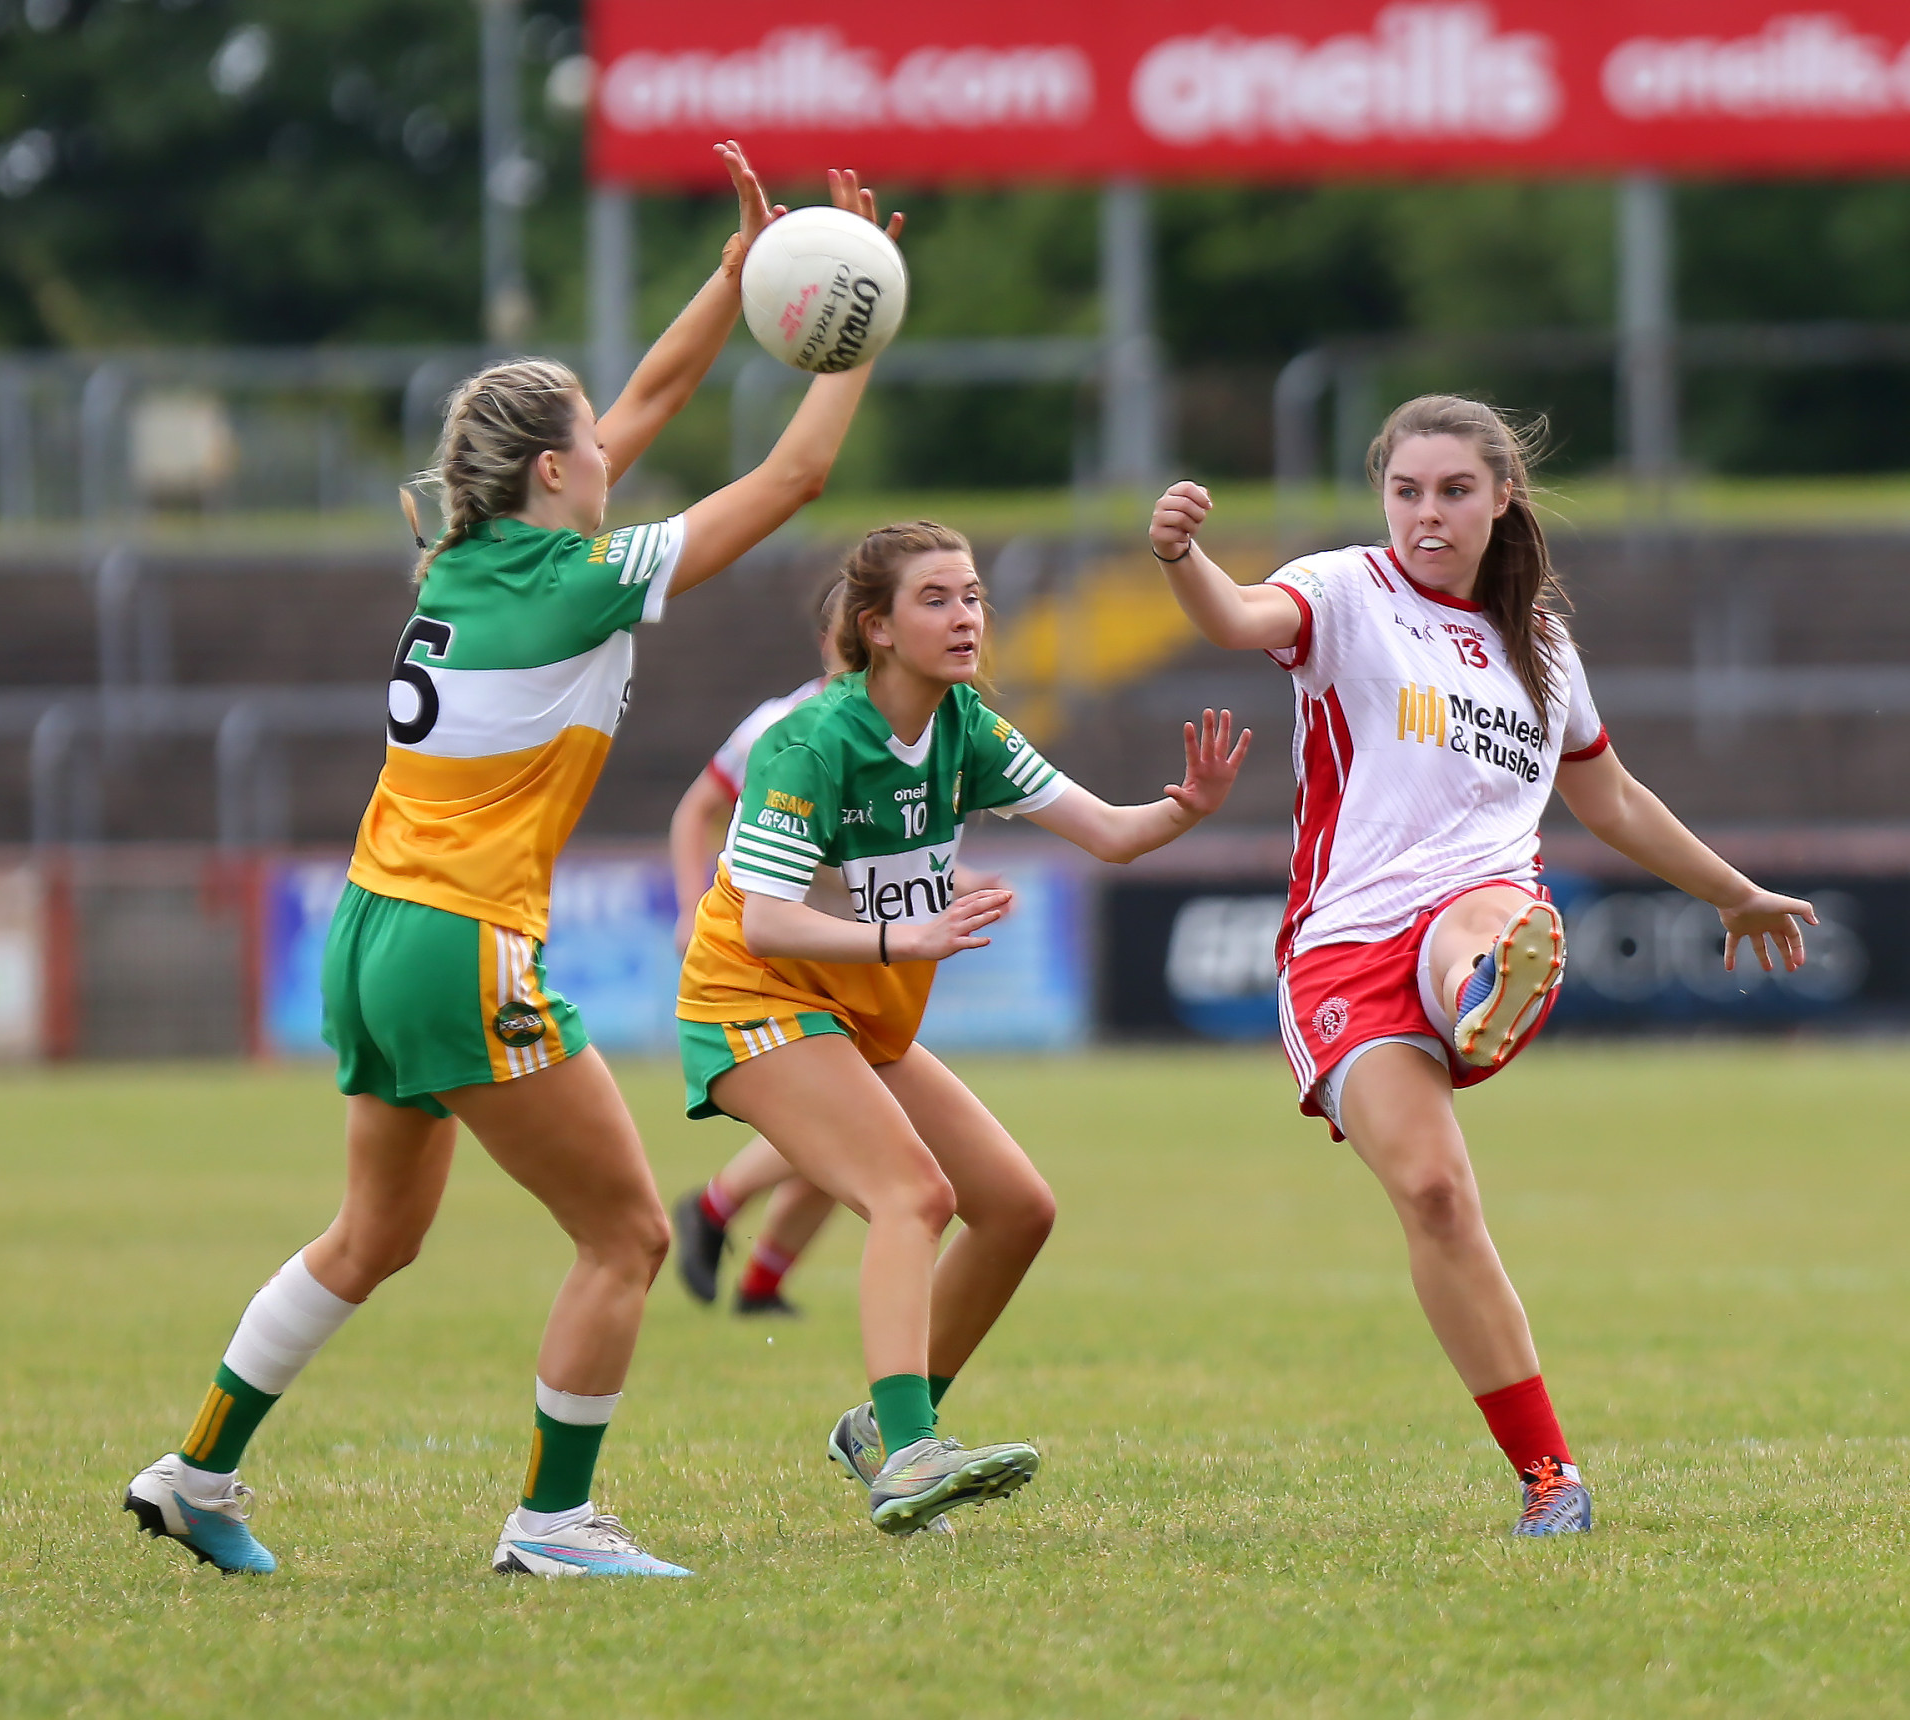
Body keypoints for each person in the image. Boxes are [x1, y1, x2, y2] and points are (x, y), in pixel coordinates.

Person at [122, 148, 897, 1579]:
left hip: (368, 929)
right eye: (589, 447)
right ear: (556, 474)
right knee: (623, 1236)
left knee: (373, 1236)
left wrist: (734, 281)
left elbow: (649, 402)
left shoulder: (465, 554)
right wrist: (856, 321)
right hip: (460, 938)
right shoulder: (578, 579)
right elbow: (796, 474)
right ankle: (555, 1523)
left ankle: (198, 1471)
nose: (616, 446)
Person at [1148, 394, 1815, 1536]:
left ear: (1502, 499)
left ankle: (1478, 991)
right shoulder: (1347, 590)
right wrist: (1182, 557)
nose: (1427, 513)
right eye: (1407, 490)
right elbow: (1238, 616)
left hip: (1485, 903)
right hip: (1344, 949)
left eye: (1454, 490)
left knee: (1488, 916)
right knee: (1437, 1195)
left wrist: (1734, 891)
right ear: (1382, 499)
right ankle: (1545, 1472)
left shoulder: (1543, 649)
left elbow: (1613, 798)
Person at [675, 520, 1251, 1535]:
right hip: (749, 1000)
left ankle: (885, 1428)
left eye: (974, 595)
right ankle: (907, 1456)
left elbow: (1112, 831)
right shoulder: (809, 740)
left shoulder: (967, 728)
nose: (967, 616)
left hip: (858, 1015)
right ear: (878, 629)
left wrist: (1186, 809)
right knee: (914, 1192)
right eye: (937, 598)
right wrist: (906, 936)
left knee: (1018, 1208)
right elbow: (761, 922)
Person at [667, 580, 849, 1316]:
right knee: (855, 1126)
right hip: (790, 950)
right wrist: (689, 906)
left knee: (853, 1136)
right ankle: (715, 1208)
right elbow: (698, 810)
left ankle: (761, 1279)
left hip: (866, 955)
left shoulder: (924, 725)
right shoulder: (786, 724)